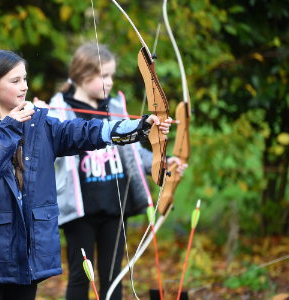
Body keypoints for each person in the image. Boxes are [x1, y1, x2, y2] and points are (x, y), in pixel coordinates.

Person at [0, 49, 173, 300]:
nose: (24, 86)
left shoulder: (40, 124)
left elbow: (87, 132)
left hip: (28, 254)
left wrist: (140, 127)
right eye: (15, 81)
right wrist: (10, 127)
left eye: (25, 79)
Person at [33, 44, 189, 300]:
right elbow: (45, 151)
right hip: (78, 209)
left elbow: (133, 153)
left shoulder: (115, 106)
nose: (110, 81)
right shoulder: (57, 110)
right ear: (83, 77)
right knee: (80, 276)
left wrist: (164, 160)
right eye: (104, 76)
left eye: (111, 75)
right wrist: (39, 117)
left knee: (113, 275)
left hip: (116, 206)